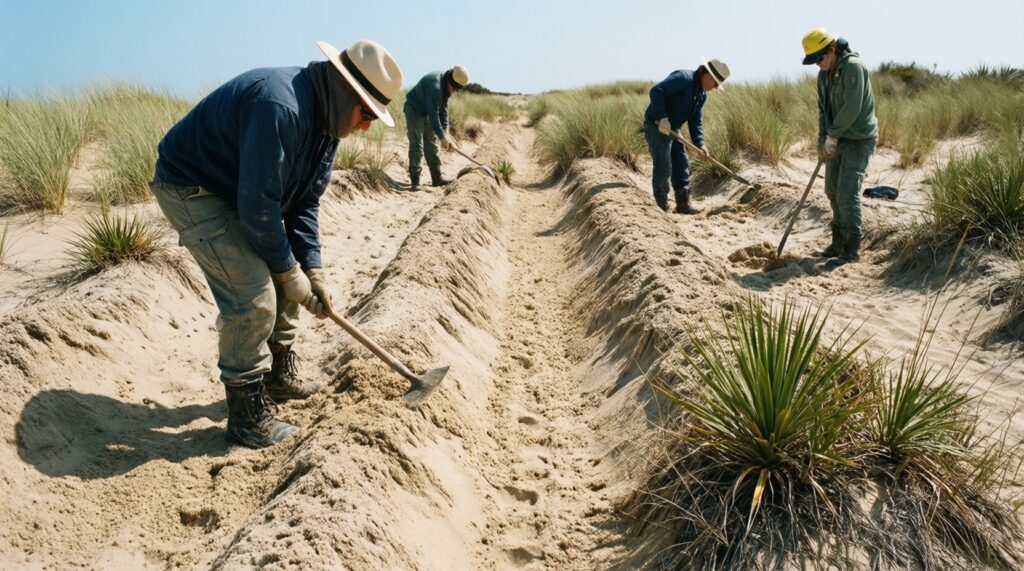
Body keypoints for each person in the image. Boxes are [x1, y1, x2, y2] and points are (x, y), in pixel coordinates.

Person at [149, 39, 403, 448]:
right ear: (345, 90)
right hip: (192, 186)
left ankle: (278, 375)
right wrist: (287, 273)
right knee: (254, 296)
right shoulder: (280, 106)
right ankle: (247, 415)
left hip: (239, 190)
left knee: (286, 269)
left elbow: (303, 201)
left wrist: (311, 269)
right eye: (366, 113)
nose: (366, 126)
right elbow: (260, 208)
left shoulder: (328, 122)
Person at [802, 28, 878, 266]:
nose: (818, 64)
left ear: (832, 49)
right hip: (836, 138)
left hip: (858, 138)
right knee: (832, 190)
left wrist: (833, 136)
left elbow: (852, 107)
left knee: (847, 193)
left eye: (820, 58)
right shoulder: (823, 75)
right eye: (814, 61)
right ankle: (837, 242)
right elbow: (823, 111)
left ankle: (851, 248)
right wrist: (822, 139)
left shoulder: (853, 67)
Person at [643, 58, 730, 214]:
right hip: (656, 125)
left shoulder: (701, 95)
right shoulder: (683, 78)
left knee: (681, 162)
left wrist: (701, 144)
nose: (714, 88)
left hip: (674, 129)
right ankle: (661, 206)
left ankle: (683, 204)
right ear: (709, 77)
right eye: (716, 84)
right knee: (664, 164)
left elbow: (695, 122)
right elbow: (656, 91)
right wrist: (662, 117)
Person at [404, 66, 470, 191]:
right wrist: (442, 137)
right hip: (414, 109)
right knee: (417, 145)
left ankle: (437, 178)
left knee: (432, 143)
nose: (455, 91)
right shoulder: (436, 87)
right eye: (455, 88)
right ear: (450, 81)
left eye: (457, 90)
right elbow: (433, 115)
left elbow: (443, 111)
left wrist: (446, 132)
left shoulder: (447, 86)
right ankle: (415, 180)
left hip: (428, 110)